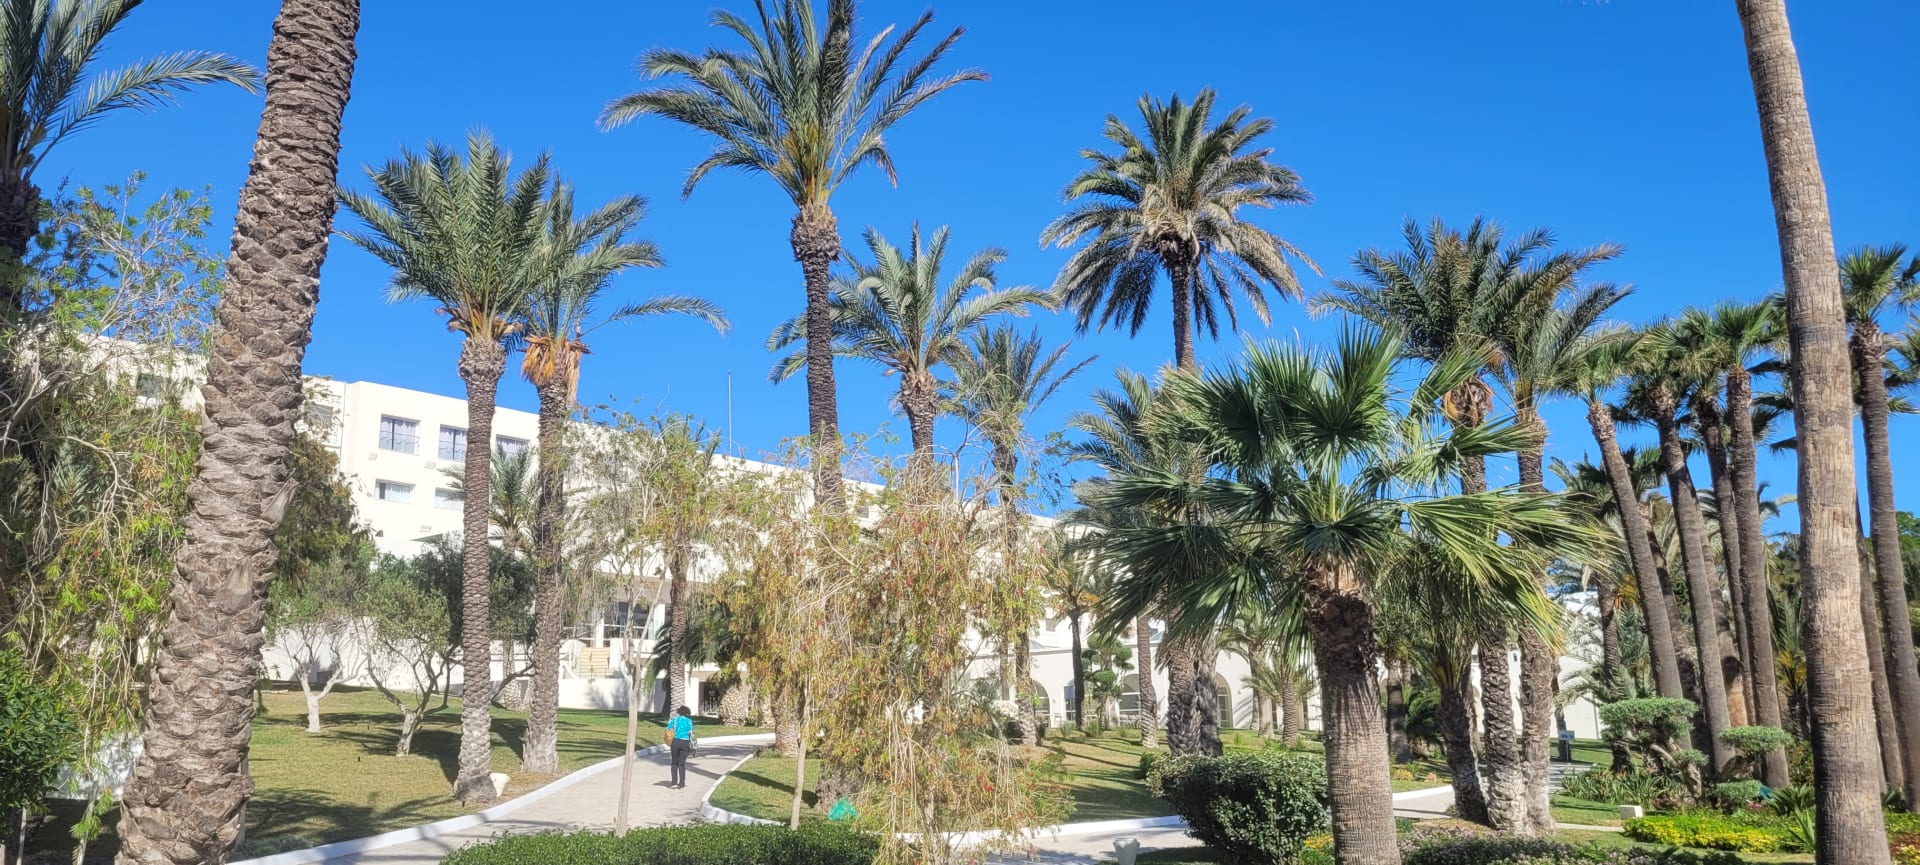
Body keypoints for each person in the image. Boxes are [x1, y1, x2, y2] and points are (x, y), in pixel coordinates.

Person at [666, 705, 694, 788]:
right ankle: (681, 783)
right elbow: (691, 732)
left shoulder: (674, 720)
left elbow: (667, 729)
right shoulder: (689, 721)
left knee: (674, 762)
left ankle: (674, 782)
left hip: (675, 742)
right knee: (682, 763)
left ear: (679, 712)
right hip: (685, 743)